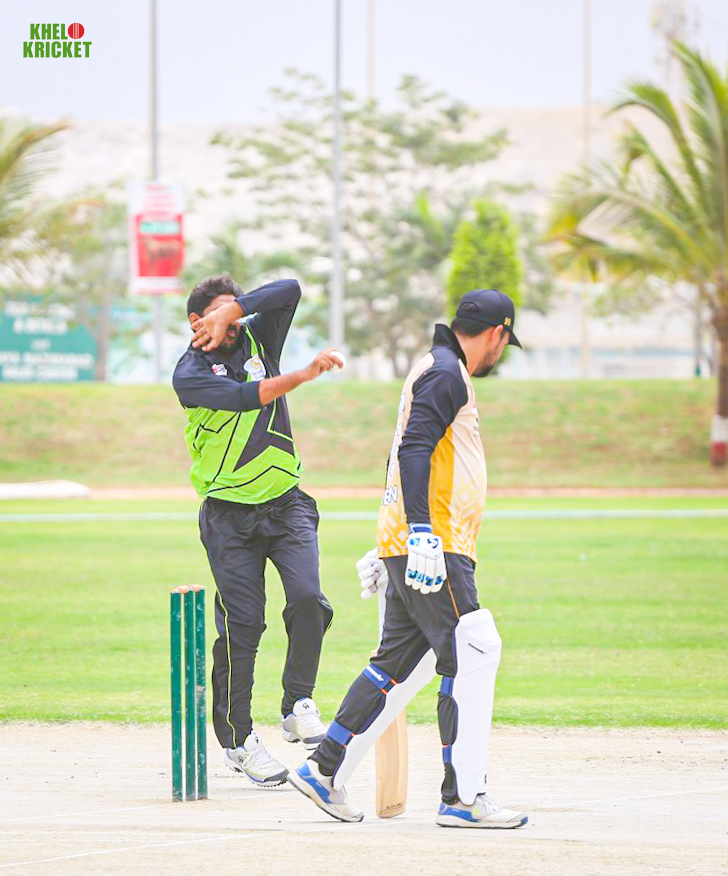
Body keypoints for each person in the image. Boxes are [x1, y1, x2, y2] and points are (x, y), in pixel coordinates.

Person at [288, 288, 528, 828]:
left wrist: (392, 539)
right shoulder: (446, 372)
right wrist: (418, 533)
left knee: (395, 665)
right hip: (435, 544)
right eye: (505, 342)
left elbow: (400, 454)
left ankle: (324, 770)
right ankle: (463, 798)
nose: (501, 352)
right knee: (472, 651)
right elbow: (413, 449)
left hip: (418, 542)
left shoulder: (434, 366)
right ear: (497, 333)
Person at [172, 273, 340, 788]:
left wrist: (237, 308)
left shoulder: (257, 335)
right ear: (196, 322)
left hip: (286, 504)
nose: (234, 322)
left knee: (309, 599)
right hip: (229, 517)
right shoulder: (189, 374)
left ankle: (297, 703)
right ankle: (240, 740)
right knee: (244, 627)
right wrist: (304, 374)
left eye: (237, 313)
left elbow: (290, 289)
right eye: (220, 314)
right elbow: (251, 395)